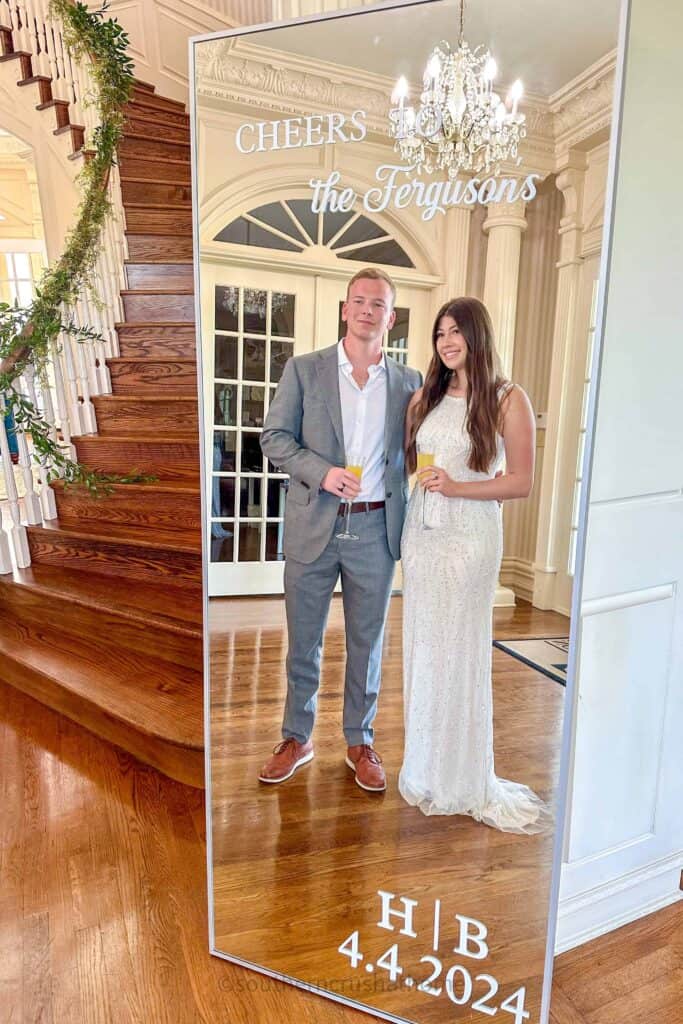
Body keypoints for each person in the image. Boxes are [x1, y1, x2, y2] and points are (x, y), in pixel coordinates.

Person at [258, 267, 421, 792]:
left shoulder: (409, 382)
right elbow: (274, 437)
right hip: (314, 524)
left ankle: (360, 739)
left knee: (367, 642)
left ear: (390, 318)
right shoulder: (304, 370)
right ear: (345, 309)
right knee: (303, 639)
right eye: (359, 301)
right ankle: (296, 736)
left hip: (376, 529)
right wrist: (321, 472)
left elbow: (418, 448)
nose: (367, 310)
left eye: (378, 304)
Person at [399, 296, 551, 833]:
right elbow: (415, 468)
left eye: (456, 330)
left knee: (460, 648)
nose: (446, 341)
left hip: (470, 540)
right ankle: (426, 766)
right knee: (425, 647)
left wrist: (458, 488)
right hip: (423, 536)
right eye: (440, 332)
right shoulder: (425, 397)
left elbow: (521, 482)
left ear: (476, 335)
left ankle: (464, 777)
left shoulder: (509, 399)